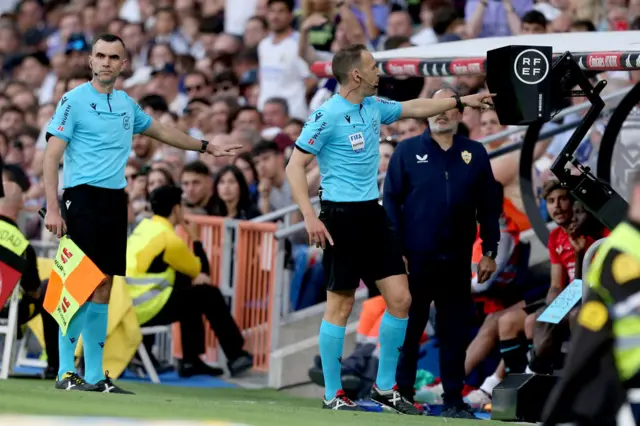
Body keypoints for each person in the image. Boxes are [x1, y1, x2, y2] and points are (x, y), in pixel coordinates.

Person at [285, 43, 494, 413]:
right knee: (341, 304)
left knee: (401, 299)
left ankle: (385, 388)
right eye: (373, 66)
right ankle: (333, 393)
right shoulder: (326, 115)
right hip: (340, 217)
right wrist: (309, 214)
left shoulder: (373, 107)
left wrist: (460, 101)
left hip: (372, 215)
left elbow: (416, 107)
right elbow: (293, 166)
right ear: (356, 75)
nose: (379, 72)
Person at [42, 34, 240, 393]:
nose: (105, 62)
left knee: (104, 285)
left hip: (116, 201)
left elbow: (162, 131)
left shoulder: (126, 104)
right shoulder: (73, 101)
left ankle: (96, 374)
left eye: (113, 57)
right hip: (81, 198)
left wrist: (206, 146)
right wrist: (53, 208)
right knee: (78, 285)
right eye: (99, 55)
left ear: (123, 64)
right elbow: (51, 156)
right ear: (91, 61)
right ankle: (65, 371)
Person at [383, 89, 501, 418]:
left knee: (453, 333)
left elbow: (489, 207)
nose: (442, 113)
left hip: (457, 259)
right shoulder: (406, 151)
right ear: (427, 112)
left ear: (461, 114)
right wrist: (395, 251)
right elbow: (390, 202)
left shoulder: (475, 153)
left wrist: (489, 250)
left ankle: (452, 399)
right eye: (437, 106)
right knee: (410, 329)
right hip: (415, 259)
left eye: (450, 107)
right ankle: (402, 394)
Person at [542, 171, 640, 426]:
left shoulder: (602, 237)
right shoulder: (555, 237)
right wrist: (552, 307)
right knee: (540, 321)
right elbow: (559, 284)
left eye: (563, 200)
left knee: (573, 317)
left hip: (583, 296)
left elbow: (585, 283)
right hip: (572, 293)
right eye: (551, 202)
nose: (559, 207)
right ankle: (533, 370)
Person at [126, 185, 254, 378]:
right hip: (145, 307)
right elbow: (202, 273)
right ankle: (236, 354)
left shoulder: (144, 227)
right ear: (177, 209)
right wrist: (195, 238)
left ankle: (191, 361)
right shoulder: (169, 239)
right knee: (208, 293)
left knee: (189, 294)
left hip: (126, 304)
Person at [0, 181, 59, 379]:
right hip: (5, 313)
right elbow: (33, 291)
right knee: (49, 289)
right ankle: (54, 367)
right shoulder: (22, 247)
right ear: (19, 207)